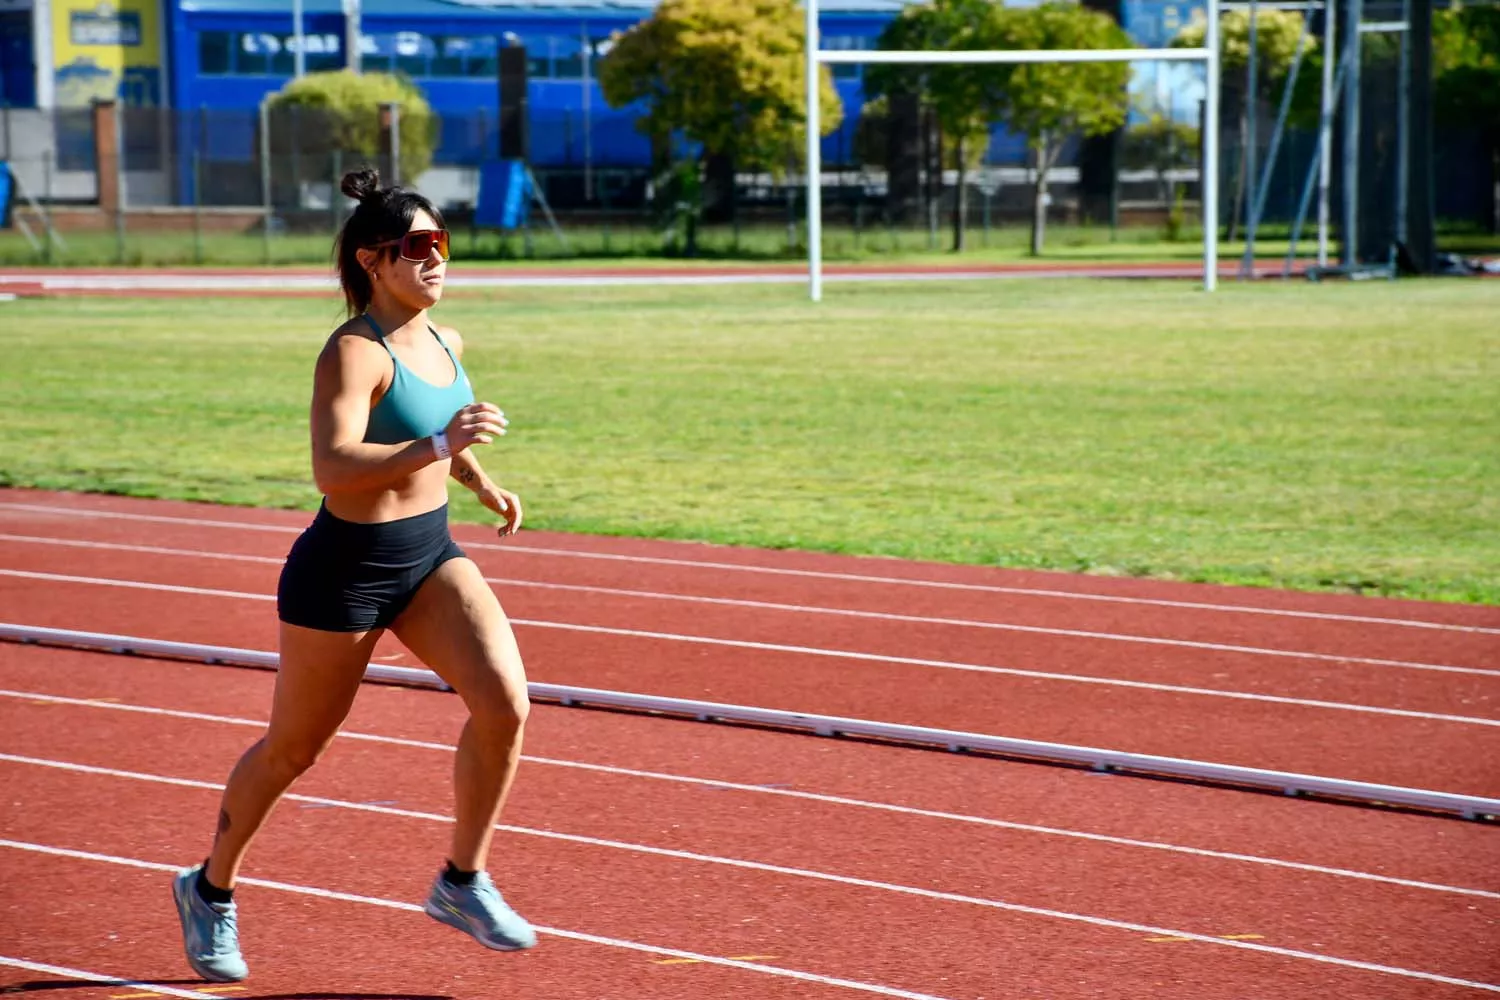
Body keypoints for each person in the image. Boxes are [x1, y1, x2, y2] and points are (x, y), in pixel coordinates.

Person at [171, 167, 536, 982]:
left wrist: (475, 480)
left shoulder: (447, 340)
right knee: (294, 750)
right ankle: (210, 888)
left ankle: (461, 881)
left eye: (443, 243)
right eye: (418, 247)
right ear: (374, 261)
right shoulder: (352, 351)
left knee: (506, 703)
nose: (437, 259)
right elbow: (334, 468)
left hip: (429, 554)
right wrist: (442, 449)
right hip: (344, 573)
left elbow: (439, 431)